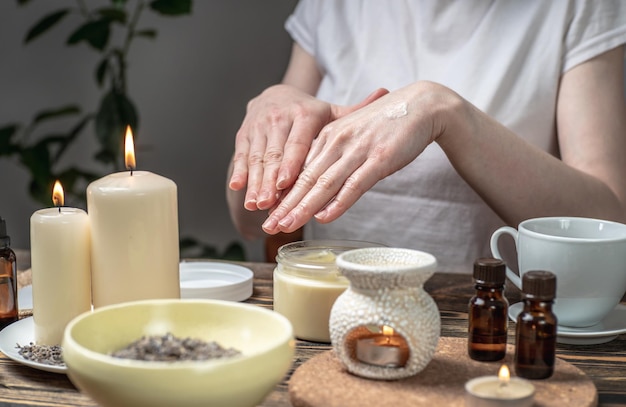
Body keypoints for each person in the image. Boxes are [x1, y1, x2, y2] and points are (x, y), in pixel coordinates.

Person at [227, 0, 626, 271]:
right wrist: (273, 109)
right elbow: (248, 219)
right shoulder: (336, 7)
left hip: (493, 320)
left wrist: (445, 112)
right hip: (333, 310)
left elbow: (607, 225)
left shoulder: (578, 7)